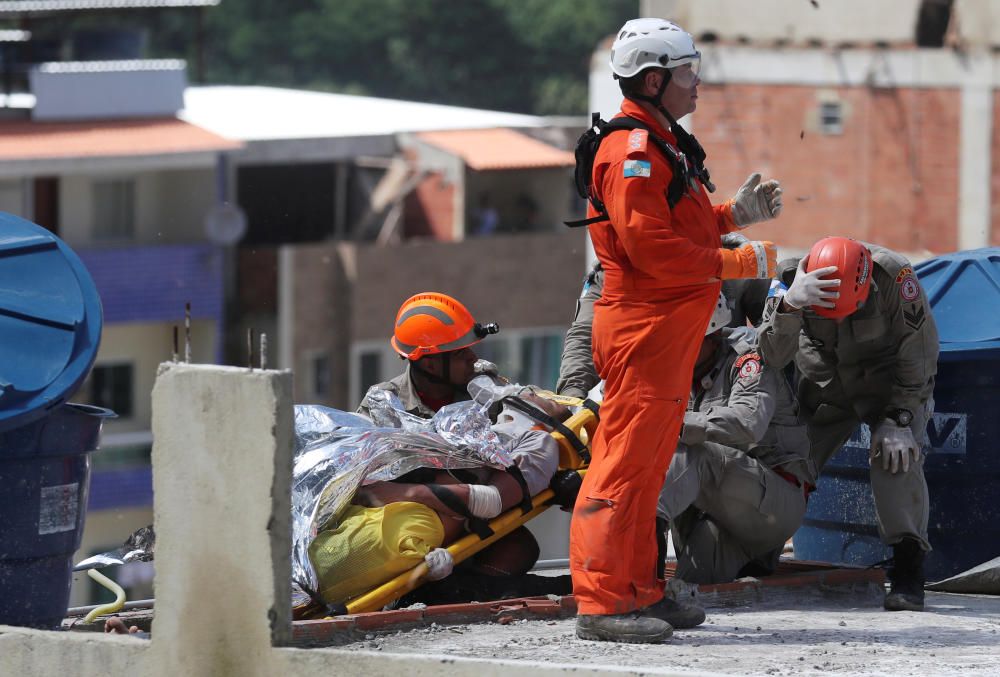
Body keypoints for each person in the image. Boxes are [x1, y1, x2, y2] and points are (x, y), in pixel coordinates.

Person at [568, 17, 784, 644]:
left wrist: (730, 217)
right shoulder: (635, 150)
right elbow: (652, 250)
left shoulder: (658, 142)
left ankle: (639, 590)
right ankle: (606, 604)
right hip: (643, 331)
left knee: (648, 468)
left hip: (661, 334)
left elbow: (675, 228)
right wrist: (737, 259)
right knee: (623, 470)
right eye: (689, 73)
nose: (698, 85)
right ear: (656, 79)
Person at [757, 236, 939, 611]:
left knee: (896, 459)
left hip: (889, 388)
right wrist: (791, 304)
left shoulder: (895, 277)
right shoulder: (791, 277)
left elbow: (919, 357)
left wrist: (899, 419)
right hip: (825, 390)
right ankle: (760, 545)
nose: (838, 320)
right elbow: (770, 354)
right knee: (788, 461)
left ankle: (908, 568)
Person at [657, 293, 814, 584]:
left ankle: (644, 543)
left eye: (687, 341)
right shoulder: (673, 370)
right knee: (690, 582)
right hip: (723, 516)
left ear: (714, 336)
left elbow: (748, 422)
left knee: (689, 450)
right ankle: (754, 559)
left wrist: (673, 424)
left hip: (775, 500)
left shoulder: (750, 357)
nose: (678, 350)